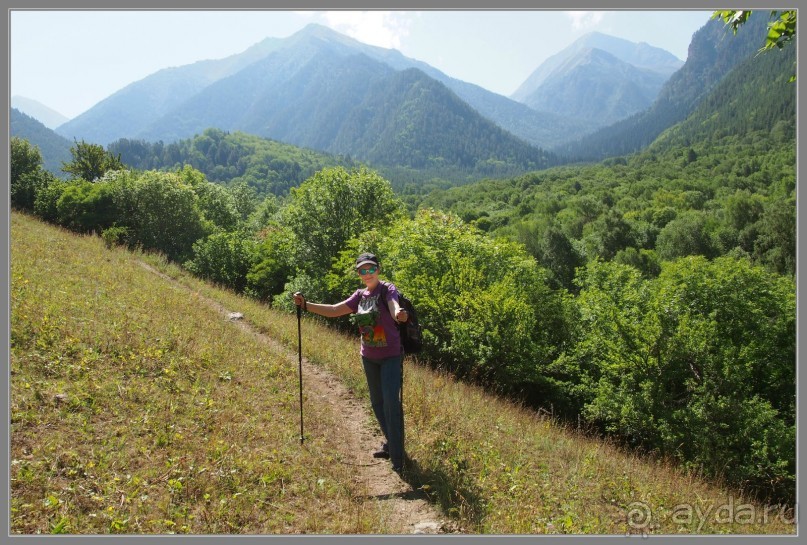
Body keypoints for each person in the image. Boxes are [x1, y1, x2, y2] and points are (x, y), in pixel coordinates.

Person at [293, 252, 408, 474]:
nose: (367, 273)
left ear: (378, 269)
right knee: (377, 402)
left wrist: (399, 315)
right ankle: (391, 442)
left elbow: (394, 307)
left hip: (391, 356)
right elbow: (336, 310)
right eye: (362, 270)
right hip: (369, 357)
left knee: (391, 403)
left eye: (371, 269)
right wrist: (306, 305)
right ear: (358, 273)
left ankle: (398, 457)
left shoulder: (387, 289)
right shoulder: (360, 295)